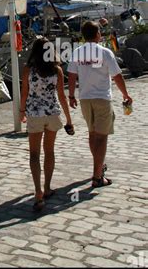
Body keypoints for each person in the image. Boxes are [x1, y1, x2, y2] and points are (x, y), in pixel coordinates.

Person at [68, 20, 133, 188]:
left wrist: (71, 95)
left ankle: (99, 166)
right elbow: (117, 76)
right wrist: (125, 94)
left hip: (85, 97)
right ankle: (97, 176)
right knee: (102, 137)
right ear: (97, 35)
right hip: (102, 98)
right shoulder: (105, 52)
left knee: (92, 134)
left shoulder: (77, 52)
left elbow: (72, 74)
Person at [20, 37, 74, 211]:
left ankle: (38, 192)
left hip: (35, 114)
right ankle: (48, 187)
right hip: (52, 113)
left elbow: (24, 94)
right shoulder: (56, 70)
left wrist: (22, 112)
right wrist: (69, 119)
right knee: (49, 151)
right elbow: (62, 96)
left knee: (34, 154)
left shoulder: (28, 70)